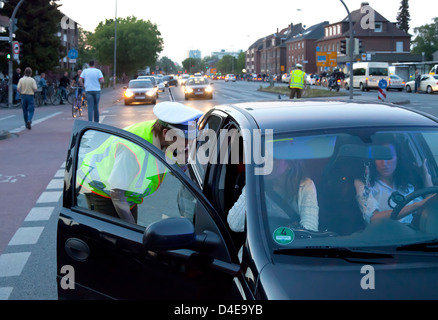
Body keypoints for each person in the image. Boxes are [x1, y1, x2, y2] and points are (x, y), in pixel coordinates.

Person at [78, 101, 203, 224]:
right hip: (101, 189)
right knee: (117, 237)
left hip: (127, 194)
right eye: (186, 139)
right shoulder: (133, 150)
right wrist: (132, 228)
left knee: (130, 235)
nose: (189, 143)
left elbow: (175, 172)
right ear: (166, 134)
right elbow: (117, 193)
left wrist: (182, 160)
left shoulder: (165, 137)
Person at [354, 139, 434, 224]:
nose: (384, 163)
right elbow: (373, 218)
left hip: (412, 234)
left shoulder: (406, 181)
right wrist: (415, 206)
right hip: (383, 235)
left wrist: (425, 176)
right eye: (379, 157)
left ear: (398, 158)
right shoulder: (364, 182)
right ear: (373, 160)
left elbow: (430, 206)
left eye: (389, 157)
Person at [227, 158, 319, 233]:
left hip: (292, 248)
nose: (264, 162)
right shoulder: (256, 185)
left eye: (273, 158)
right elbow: (235, 225)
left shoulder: (304, 185)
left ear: (290, 164)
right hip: (259, 249)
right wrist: (253, 183)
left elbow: (310, 229)